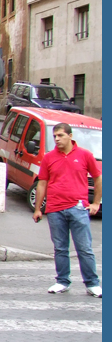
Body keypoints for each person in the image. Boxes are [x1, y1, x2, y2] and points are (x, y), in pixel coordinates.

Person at [33, 122, 102, 296]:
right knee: (60, 248)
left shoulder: (85, 155)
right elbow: (42, 183)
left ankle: (92, 283)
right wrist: (38, 208)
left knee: (84, 248)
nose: (56, 139)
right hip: (55, 208)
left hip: (78, 207)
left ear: (70, 136)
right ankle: (62, 281)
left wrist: (96, 203)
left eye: (60, 135)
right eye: (55, 136)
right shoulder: (49, 157)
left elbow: (98, 178)